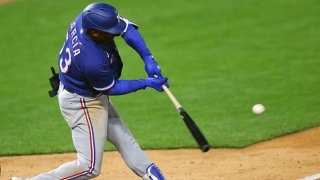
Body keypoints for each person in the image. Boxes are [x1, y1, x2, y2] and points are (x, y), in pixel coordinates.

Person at [12, 2, 167, 180]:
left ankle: (149, 173)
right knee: (89, 166)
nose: (115, 33)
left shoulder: (86, 19)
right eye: (110, 31)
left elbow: (126, 29)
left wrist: (148, 57)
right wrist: (146, 83)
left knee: (122, 136)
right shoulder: (91, 59)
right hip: (82, 103)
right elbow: (111, 87)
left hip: (87, 93)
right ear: (95, 33)